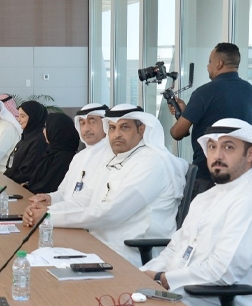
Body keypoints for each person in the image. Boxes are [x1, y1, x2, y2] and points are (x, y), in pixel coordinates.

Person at [140, 119, 252, 306]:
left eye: (228, 147)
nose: (217, 155)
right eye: (212, 147)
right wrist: (143, 275)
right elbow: (174, 248)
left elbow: (223, 272)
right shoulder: (207, 196)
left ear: (250, 154)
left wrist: (163, 278)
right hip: (179, 297)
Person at [22, 104, 186, 265]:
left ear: (141, 130)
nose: (117, 134)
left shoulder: (151, 163)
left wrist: (48, 217)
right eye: (112, 128)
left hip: (130, 251)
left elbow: (111, 213)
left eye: (125, 127)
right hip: (99, 241)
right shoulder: (116, 160)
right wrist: (44, 211)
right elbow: (83, 201)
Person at [168, 42, 252, 198]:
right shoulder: (248, 90)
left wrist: (183, 116)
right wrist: (189, 111)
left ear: (219, 64)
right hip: (238, 172)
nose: (208, 66)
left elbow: (177, 133)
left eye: (210, 61)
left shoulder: (204, 92)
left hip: (208, 175)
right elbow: (220, 115)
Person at [25, 112, 82, 194]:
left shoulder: (64, 157)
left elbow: (49, 186)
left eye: (46, 127)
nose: (43, 131)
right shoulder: (51, 151)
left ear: (56, 130)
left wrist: (28, 189)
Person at [4, 101, 50, 187]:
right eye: (19, 116)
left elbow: (27, 171)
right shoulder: (27, 136)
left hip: (21, 187)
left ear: (33, 117)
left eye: (22, 116)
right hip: (12, 182)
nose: (19, 120)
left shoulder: (38, 140)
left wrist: (7, 180)